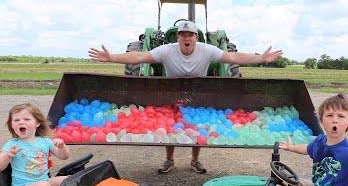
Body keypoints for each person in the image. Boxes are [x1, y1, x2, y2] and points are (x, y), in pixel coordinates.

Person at [88, 20, 283, 174]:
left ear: (196, 37)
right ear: (178, 37)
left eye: (190, 35)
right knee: (172, 125)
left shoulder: (207, 50)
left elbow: (233, 58)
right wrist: (112, 57)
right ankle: (170, 159)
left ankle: (195, 160)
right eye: (183, 35)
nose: (186, 38)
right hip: (172, 91)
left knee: (196, 127)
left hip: (199, 93)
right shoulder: (167, 50)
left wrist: (260, 59)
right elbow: (139, 57)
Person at [0, 102, 71, 186]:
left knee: (67, 180)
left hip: (44, 181)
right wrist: (7, 156)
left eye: (26, 119)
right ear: (11, 125)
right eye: (16, 120)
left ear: (37, 123)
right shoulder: (12, 144)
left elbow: (64, 156)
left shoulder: (45, 141)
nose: (21, 122)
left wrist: (62, 147)